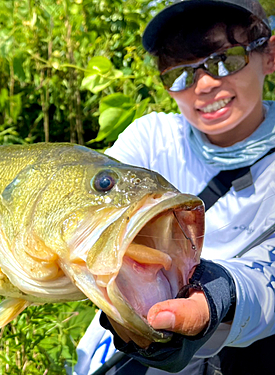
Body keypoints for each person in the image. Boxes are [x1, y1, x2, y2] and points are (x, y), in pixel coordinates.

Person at [72, 0, 275, 374]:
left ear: (270, 56)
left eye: (226, 59)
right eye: (180, 74)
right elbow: (81, 205)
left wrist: (217, 297)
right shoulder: (151, 138)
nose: (206, 84)